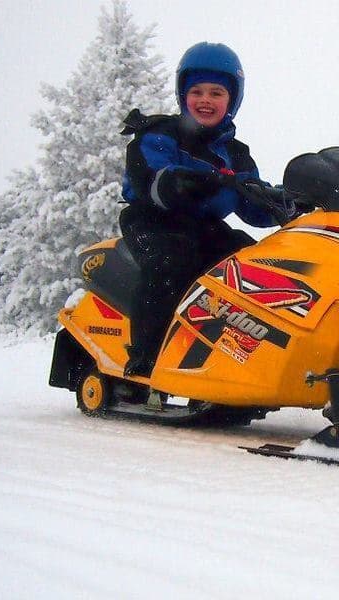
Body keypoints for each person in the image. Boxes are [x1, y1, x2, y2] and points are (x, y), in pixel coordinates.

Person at [119, 42, 278, 377]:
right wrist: (183, 182)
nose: (206, 100)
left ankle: (244, 360)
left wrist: (290, 202)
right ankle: (146, 360)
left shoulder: (236, 154)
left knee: (250, 263)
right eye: (197, 92)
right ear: (183, 96)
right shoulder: (159, 134)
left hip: (203, 227)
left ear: (232, 100)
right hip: (153, 221)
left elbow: (254, 205)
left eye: (216, 93)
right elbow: (152, 181)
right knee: (172, 260)